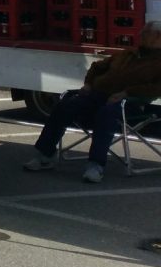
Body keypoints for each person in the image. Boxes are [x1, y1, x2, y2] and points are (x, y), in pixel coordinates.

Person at [23, 21, 161, 183]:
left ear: (158, 37)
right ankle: (45, 155)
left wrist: (127, 93)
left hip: (130, 103)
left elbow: (156, 88)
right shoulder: (127, 54)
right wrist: (88, 83)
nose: (140, 35)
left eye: (145, 33)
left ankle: (96, 164)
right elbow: (97, 67)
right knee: (66, 105)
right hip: (99, 95)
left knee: (106, 113)